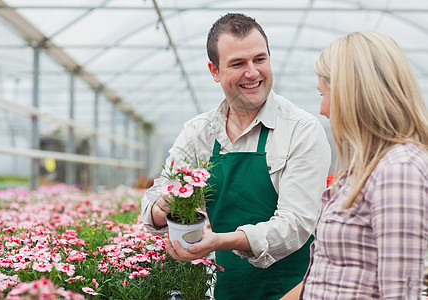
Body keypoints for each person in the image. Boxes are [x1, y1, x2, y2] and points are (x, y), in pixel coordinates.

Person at [141, 13, 331, 299]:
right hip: (226, 289)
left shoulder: (300, 130)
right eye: (238, 63)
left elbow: (295, 225)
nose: (252, 72)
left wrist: (220, 242)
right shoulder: (199, 133)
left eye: (260, 59)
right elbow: (152, 207)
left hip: (292, 288)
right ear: (214, 71)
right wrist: (165, 204)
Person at [282, 31, 428, 299]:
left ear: (351, 96)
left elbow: (399, 293)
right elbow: (331, 274)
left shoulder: (399, 169)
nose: (323, 109)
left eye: (323, 95)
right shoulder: (366, 166)